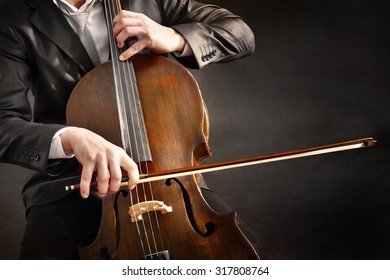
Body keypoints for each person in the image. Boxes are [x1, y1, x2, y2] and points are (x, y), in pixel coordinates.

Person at [0, 0, 256, 259]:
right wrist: (69, 137)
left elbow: (241, 34)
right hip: (73, 182)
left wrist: (175, 37)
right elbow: (3, 122)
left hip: (169, 179)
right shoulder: (11, 16)